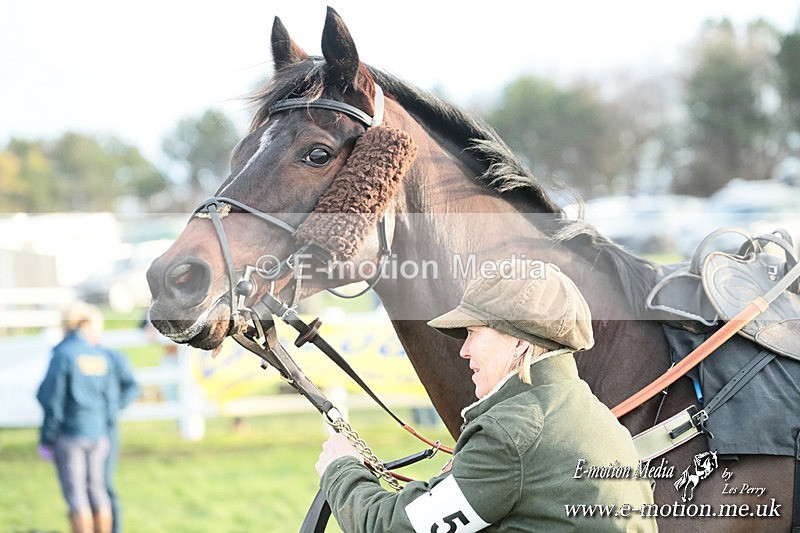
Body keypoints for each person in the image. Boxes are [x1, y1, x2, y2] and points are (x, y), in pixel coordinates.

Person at [315, 261, 656, 532]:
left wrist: (340, 469)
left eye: (474, 333)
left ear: (519, 341)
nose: (464, 350)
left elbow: (392, 528)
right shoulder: (588, 413)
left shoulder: (511, 432)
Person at [37, 302, 140, 533]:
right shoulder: (99, 356)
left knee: (77, 496)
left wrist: (47, 437)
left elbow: (51, 400)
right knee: (98, 489)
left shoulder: (63, 354)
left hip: (72, 433)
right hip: (99, 434)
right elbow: (108, 394)